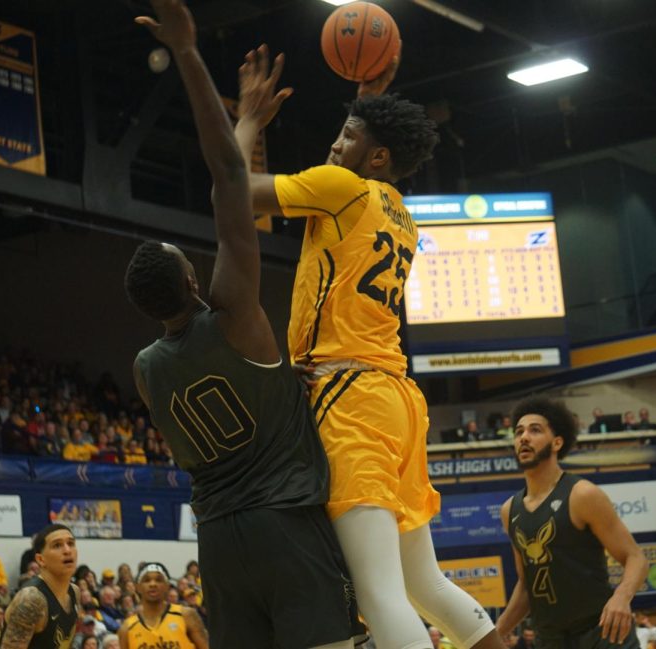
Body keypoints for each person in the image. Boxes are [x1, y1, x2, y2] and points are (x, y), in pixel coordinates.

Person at [234, 37, 504, 649]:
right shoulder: (398, 207)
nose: (334, 143)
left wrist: (249, 120)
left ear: (377, 155)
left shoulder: (342, 189)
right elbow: (355, 157)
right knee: (423, 583)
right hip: (396, 398)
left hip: (349, 394)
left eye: (348, 135)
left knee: (380, 591)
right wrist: (367, 105)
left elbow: (233, 191)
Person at [125, 2, 364, 647]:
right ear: (195, 282)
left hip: (220, 545)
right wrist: (201, 67)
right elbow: (229, 180)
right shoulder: (234, 316)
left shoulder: (147, 371)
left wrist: (284, 383)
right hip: (285, 523)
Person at [495, 396, 649, 647]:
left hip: (600, 633)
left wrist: (621, 597)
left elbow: (636, 558)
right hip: (550, 639)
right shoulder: (509, 510)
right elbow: (526, 586)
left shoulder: (582, 494)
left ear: (557, 442)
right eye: (519, 431)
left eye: (535, 430)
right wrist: (497, 631)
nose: (524, 437)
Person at [0, 524, 80, 648]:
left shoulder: (75, 592)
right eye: (57, 545)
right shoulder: (32, 600)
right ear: (40, 559)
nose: (67, 550)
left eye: (71, 543)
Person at [118, 563, 207, 649]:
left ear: (167, 586)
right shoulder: (127, 628)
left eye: (159, 580)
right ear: (138, 587)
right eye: (147, 580)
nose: (153, 584)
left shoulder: (186, 615)